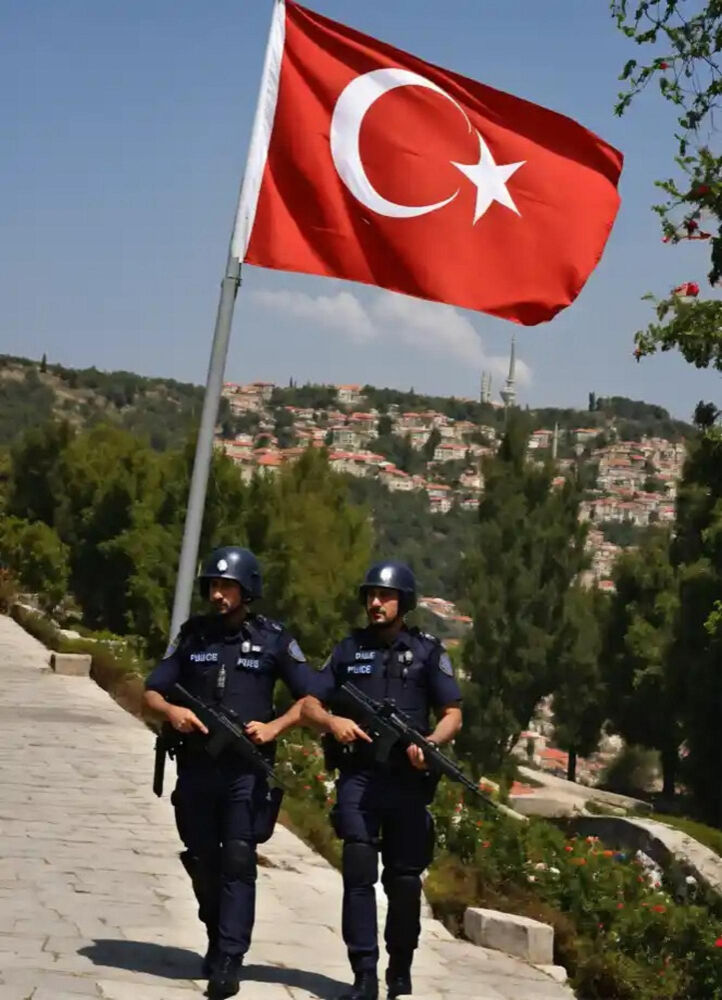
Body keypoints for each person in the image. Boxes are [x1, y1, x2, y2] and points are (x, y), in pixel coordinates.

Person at [144, 545, 316, 999]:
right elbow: (153, 690)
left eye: (227, 586)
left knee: (239, 859)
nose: (218, 595)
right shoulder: (193, 636)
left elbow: (310, 696)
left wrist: (275, 727)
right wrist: (173, 712)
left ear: (247, 590)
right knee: (202, 857)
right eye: (213, 586)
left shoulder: (274, 639)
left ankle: (229, 958)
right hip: (198, 767)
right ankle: (216, 932)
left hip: (246, 772)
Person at [302, 561, 463, 1000]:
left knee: (405, 881)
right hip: (359, 776)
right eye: (371, 595)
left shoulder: (428, 652)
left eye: (385, 596)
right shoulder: (347, 649)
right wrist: (333, 722)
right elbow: (310, 703)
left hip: (407, 782)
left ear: (403, 602)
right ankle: (364, 974)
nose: (376, 603)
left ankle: (400, 966)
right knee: (358, 872)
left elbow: (452, 714)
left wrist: (430, 743)